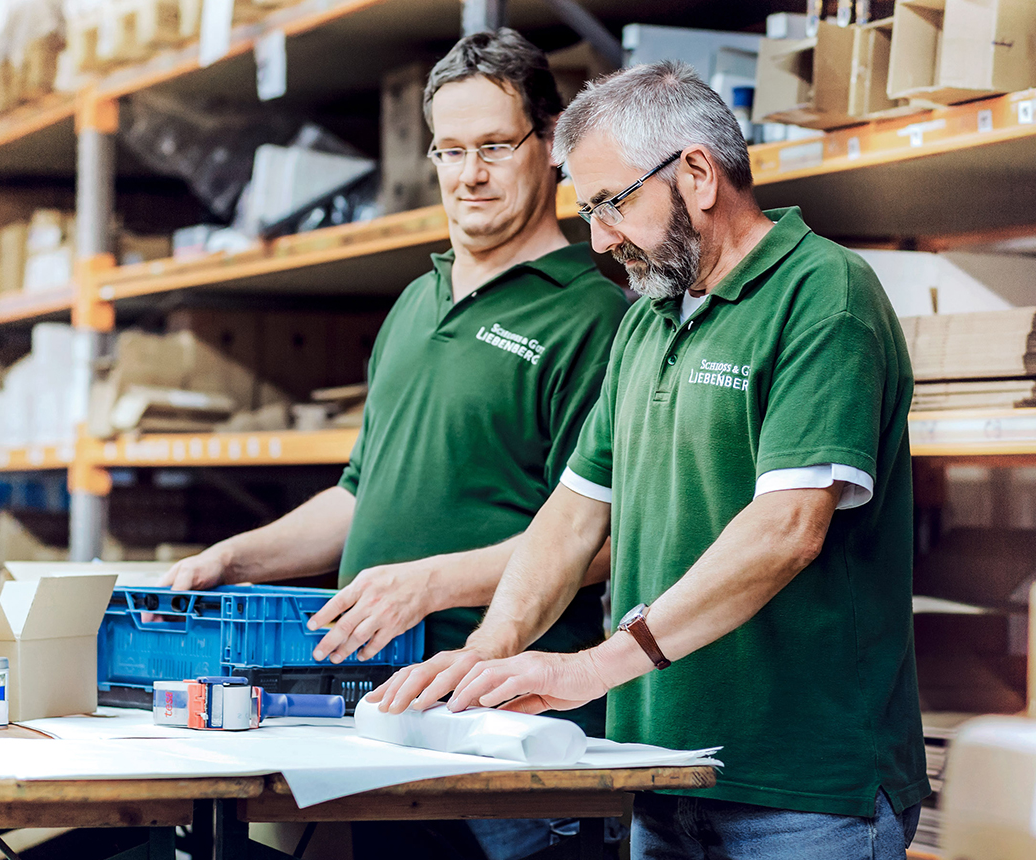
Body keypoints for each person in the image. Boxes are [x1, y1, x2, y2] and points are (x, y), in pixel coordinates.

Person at [371, 60, 930, 860]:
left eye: (611, 203)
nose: (598, 238)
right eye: (588, 210)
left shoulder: (823, 295)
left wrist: (594, 667)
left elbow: (786, 532)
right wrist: (484, 654)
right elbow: (570, 517)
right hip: (660, 769)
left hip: (802, 787)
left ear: (697, 173)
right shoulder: (647, 323)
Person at [162, 29, 630, 860]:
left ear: (549, 143)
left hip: (505, 727)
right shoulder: (414, 305)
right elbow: (358, 494)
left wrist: (429, 585)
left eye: (494, 146)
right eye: (450, 150)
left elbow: (598, 540)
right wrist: (237, 558)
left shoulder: (592, 318)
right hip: (387, 716)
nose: (469, 175)